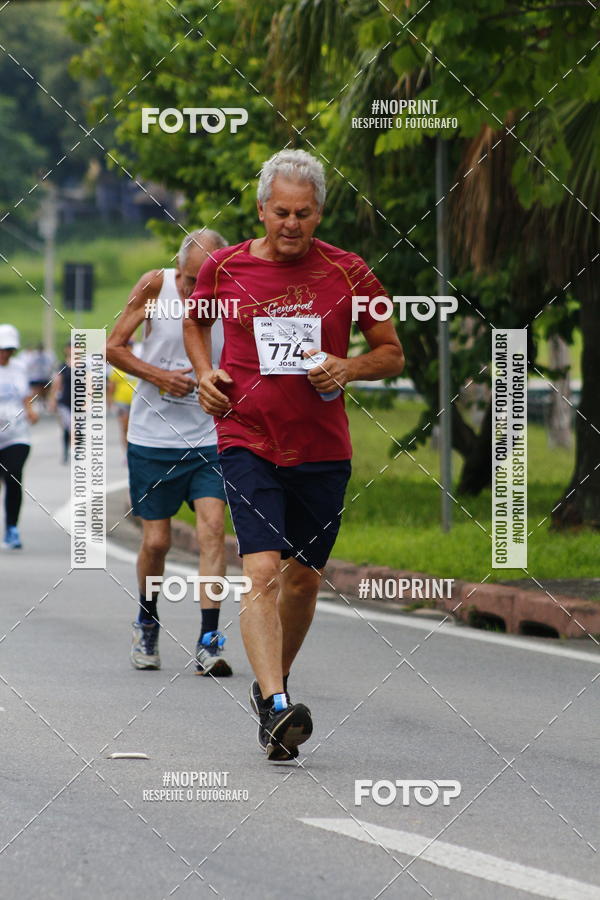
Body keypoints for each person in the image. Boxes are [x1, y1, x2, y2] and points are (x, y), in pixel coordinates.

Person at [183, 149, 405, 761]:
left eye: (303, 213)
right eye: (280, 212)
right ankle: (281, 704)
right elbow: (196, 324)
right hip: (246, 437)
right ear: (260, 209)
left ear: (319, 212)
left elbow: (392, 353)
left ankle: (267, 690)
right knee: (260, 571)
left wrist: (348, 366)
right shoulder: (223, 269)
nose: (291, 224)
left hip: (322, 449)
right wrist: (205, 375)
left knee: (303, 579)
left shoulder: (351, 272)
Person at [107, 229, 232, 676]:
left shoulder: (232, 293)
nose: (196, 290)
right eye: (190, 280)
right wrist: (160, 375)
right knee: (156, 541)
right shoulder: (155, 285)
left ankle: (209, 641)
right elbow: (113, 347)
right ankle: (147, 618)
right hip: (152, 438)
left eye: (206, 282)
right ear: (177, 269)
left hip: (208, 438)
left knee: (213, 533)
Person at [0, 324, 38, 549]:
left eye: (9, 349)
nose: (5, 353)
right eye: (1, 349)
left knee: (13, 476)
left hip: (17, 434)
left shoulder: (19, 368)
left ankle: (12, 529)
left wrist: (31, 410)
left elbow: (25, 395)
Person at [107, 340, 138, 454]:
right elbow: (111, 385)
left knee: (134, 428)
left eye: (131, 346)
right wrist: (110, 401)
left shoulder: (138, 364)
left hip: (136, 402)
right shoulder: (118, 366)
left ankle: (134, 451)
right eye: (127, 346)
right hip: (121, 401)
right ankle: (126, 453)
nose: (129, 349)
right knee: (125, 427)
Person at [48, 343, 72, 464]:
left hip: (79, 402)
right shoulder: (62, 366)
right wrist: (52, 400)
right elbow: (56, 383)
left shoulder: (83, 366)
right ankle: (66, 451)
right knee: (68, 427)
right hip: (65, 401)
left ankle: (77, 451)